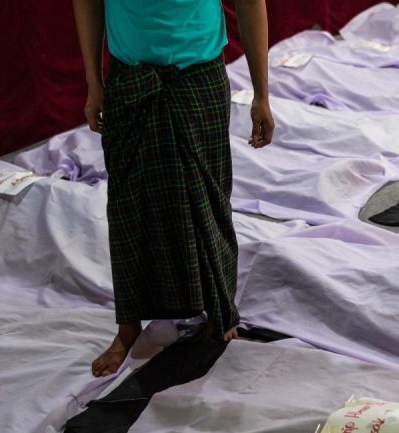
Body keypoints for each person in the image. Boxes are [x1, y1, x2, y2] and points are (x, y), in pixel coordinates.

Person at [72, 0, 275, 377]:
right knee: (128, 206)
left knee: (208, 200)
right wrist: (93, 82)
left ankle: (219, 309)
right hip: (130, 80)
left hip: (199, 78)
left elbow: (250, 4)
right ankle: (128, 327)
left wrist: (261, 95)